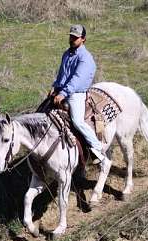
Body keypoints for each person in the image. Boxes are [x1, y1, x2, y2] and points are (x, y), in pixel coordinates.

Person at [49, 24, 104, 162]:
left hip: (75, 93)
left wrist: (63, 93)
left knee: (77, 121)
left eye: (76, 37)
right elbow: (62, 74)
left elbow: (77, 79)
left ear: (83, 39)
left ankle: (97, 147)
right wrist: (55, 87)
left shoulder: (85, 58)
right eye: (71, 36)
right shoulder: (67, 54)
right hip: (63, 90)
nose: (72, 39)